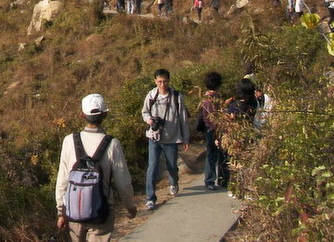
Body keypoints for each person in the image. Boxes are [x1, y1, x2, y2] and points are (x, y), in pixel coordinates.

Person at [56, 94, 137, 241]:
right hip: (102, 211)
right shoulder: (112, 144)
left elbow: (62, 180)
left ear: (82, 115)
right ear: (105, 115)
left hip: (74, 211)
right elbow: (123, 182)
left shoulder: (69, 141)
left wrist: (61, 212)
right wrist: (130, 205)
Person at [141, 69, 190, 210]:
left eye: (165, 81)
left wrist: (185, 138)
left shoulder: (176, 97)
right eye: (159, 81)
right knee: (152, 167)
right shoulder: (151, 95)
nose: (162, 84)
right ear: (155, 81)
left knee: (172, 166)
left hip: (171, 137)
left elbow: (183, 119)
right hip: (154, 137)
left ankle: (173, 182)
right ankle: (150, 198)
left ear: (169, 80)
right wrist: (149, 120)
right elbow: (144, 112)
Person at [198, 71, 228, 190]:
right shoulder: (213, 99)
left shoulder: (205, 98)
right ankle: (216, 179)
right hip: (214, 129)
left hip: (210, 129)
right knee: (217, 154)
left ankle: (213, 180)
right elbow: (212, 117)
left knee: (213, 154)